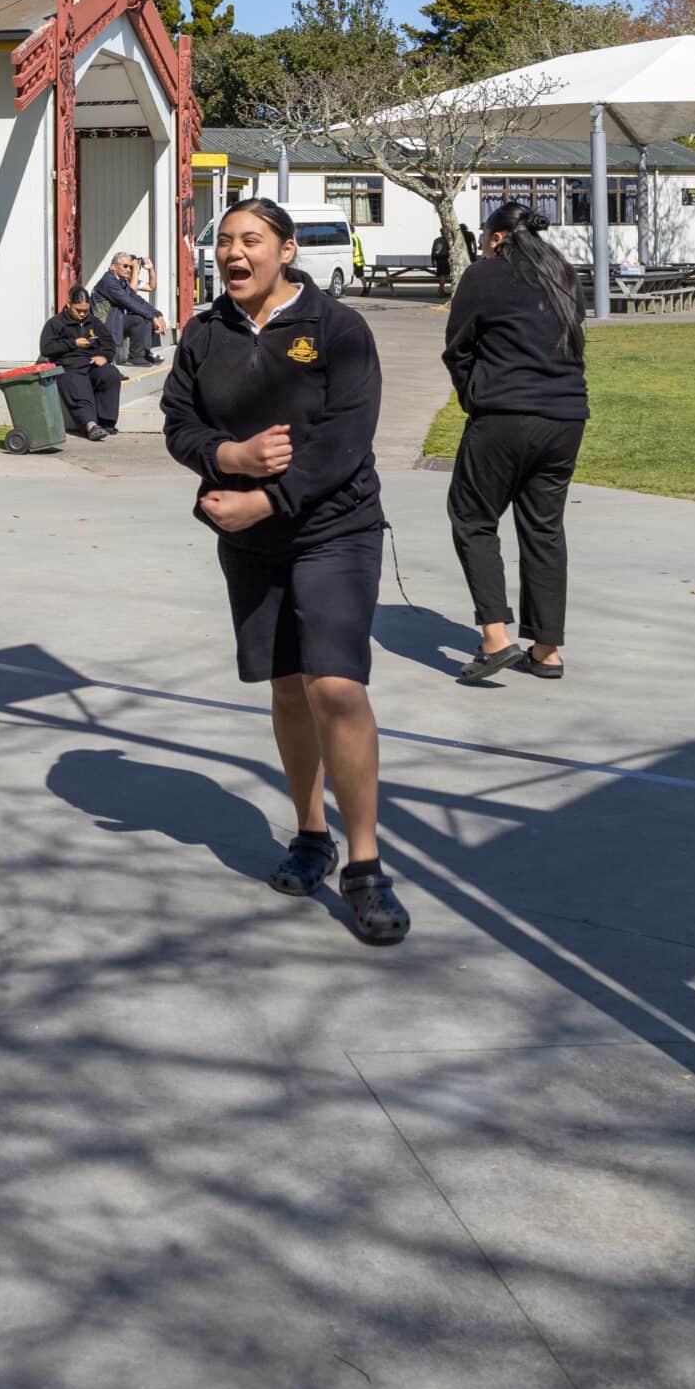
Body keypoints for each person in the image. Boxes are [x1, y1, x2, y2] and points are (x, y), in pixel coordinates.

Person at [161, 198, 409, 946]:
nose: (233, 254)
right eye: (224, 242)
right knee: (287, 689)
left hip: (335, 529)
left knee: (334, 685)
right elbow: (179, 422)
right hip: (248, 540)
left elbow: (345, 441)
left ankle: (364, 866)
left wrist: (267, 498)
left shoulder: (336, 328)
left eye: (251, 241)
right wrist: (226, 459)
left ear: (286, 249)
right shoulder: (204, 334)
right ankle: (310, 834)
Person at [444, 199, 588, 685]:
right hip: (566, 417)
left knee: (472, 516)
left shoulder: (483, 277)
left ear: (500, 237)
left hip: (505, 415)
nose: (482, 242)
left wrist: (474, 396)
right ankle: (546, 650)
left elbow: (458, 346)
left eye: (485, 235)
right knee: (544, 527)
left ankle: (495, 638)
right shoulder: (564, 274)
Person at [39, 286, 122, 440]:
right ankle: (90, 425)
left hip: (92, 364)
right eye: (78, 310)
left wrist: (104, 357)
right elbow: (46, 348)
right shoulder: (55, 323)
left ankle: (106, 423)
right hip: (69, 366)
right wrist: (73, 344)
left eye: (86, 310)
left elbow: (109, 343)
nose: (83, 314)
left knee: (110, 374)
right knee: (78, 387)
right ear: (69, 304)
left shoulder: (94, 322)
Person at [98, 253, 167, 364]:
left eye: (131, 267)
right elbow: (128, 301)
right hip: (105, 321)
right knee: (139, 319)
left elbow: (136, 298)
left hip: (116, 319)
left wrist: (157, 314)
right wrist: (152, 316)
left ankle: (143, 353)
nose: (129, 269)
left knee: (145, 317)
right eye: (125, 266)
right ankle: (136, 356)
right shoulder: (109, 281)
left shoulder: (121, 281)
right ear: (113, 267)